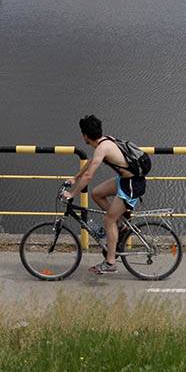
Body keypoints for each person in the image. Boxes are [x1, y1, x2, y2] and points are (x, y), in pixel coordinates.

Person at [63, 115, 146, 275]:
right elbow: (91, 162)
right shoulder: (105, 140)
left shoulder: (102, 147)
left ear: (85, 135)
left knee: (108, 220)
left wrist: (72, 194)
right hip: (125, 180)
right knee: (96, 193)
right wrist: (75, 177)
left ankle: (110, 262)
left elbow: (89, 176)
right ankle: (120, 223)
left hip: (132, 184)